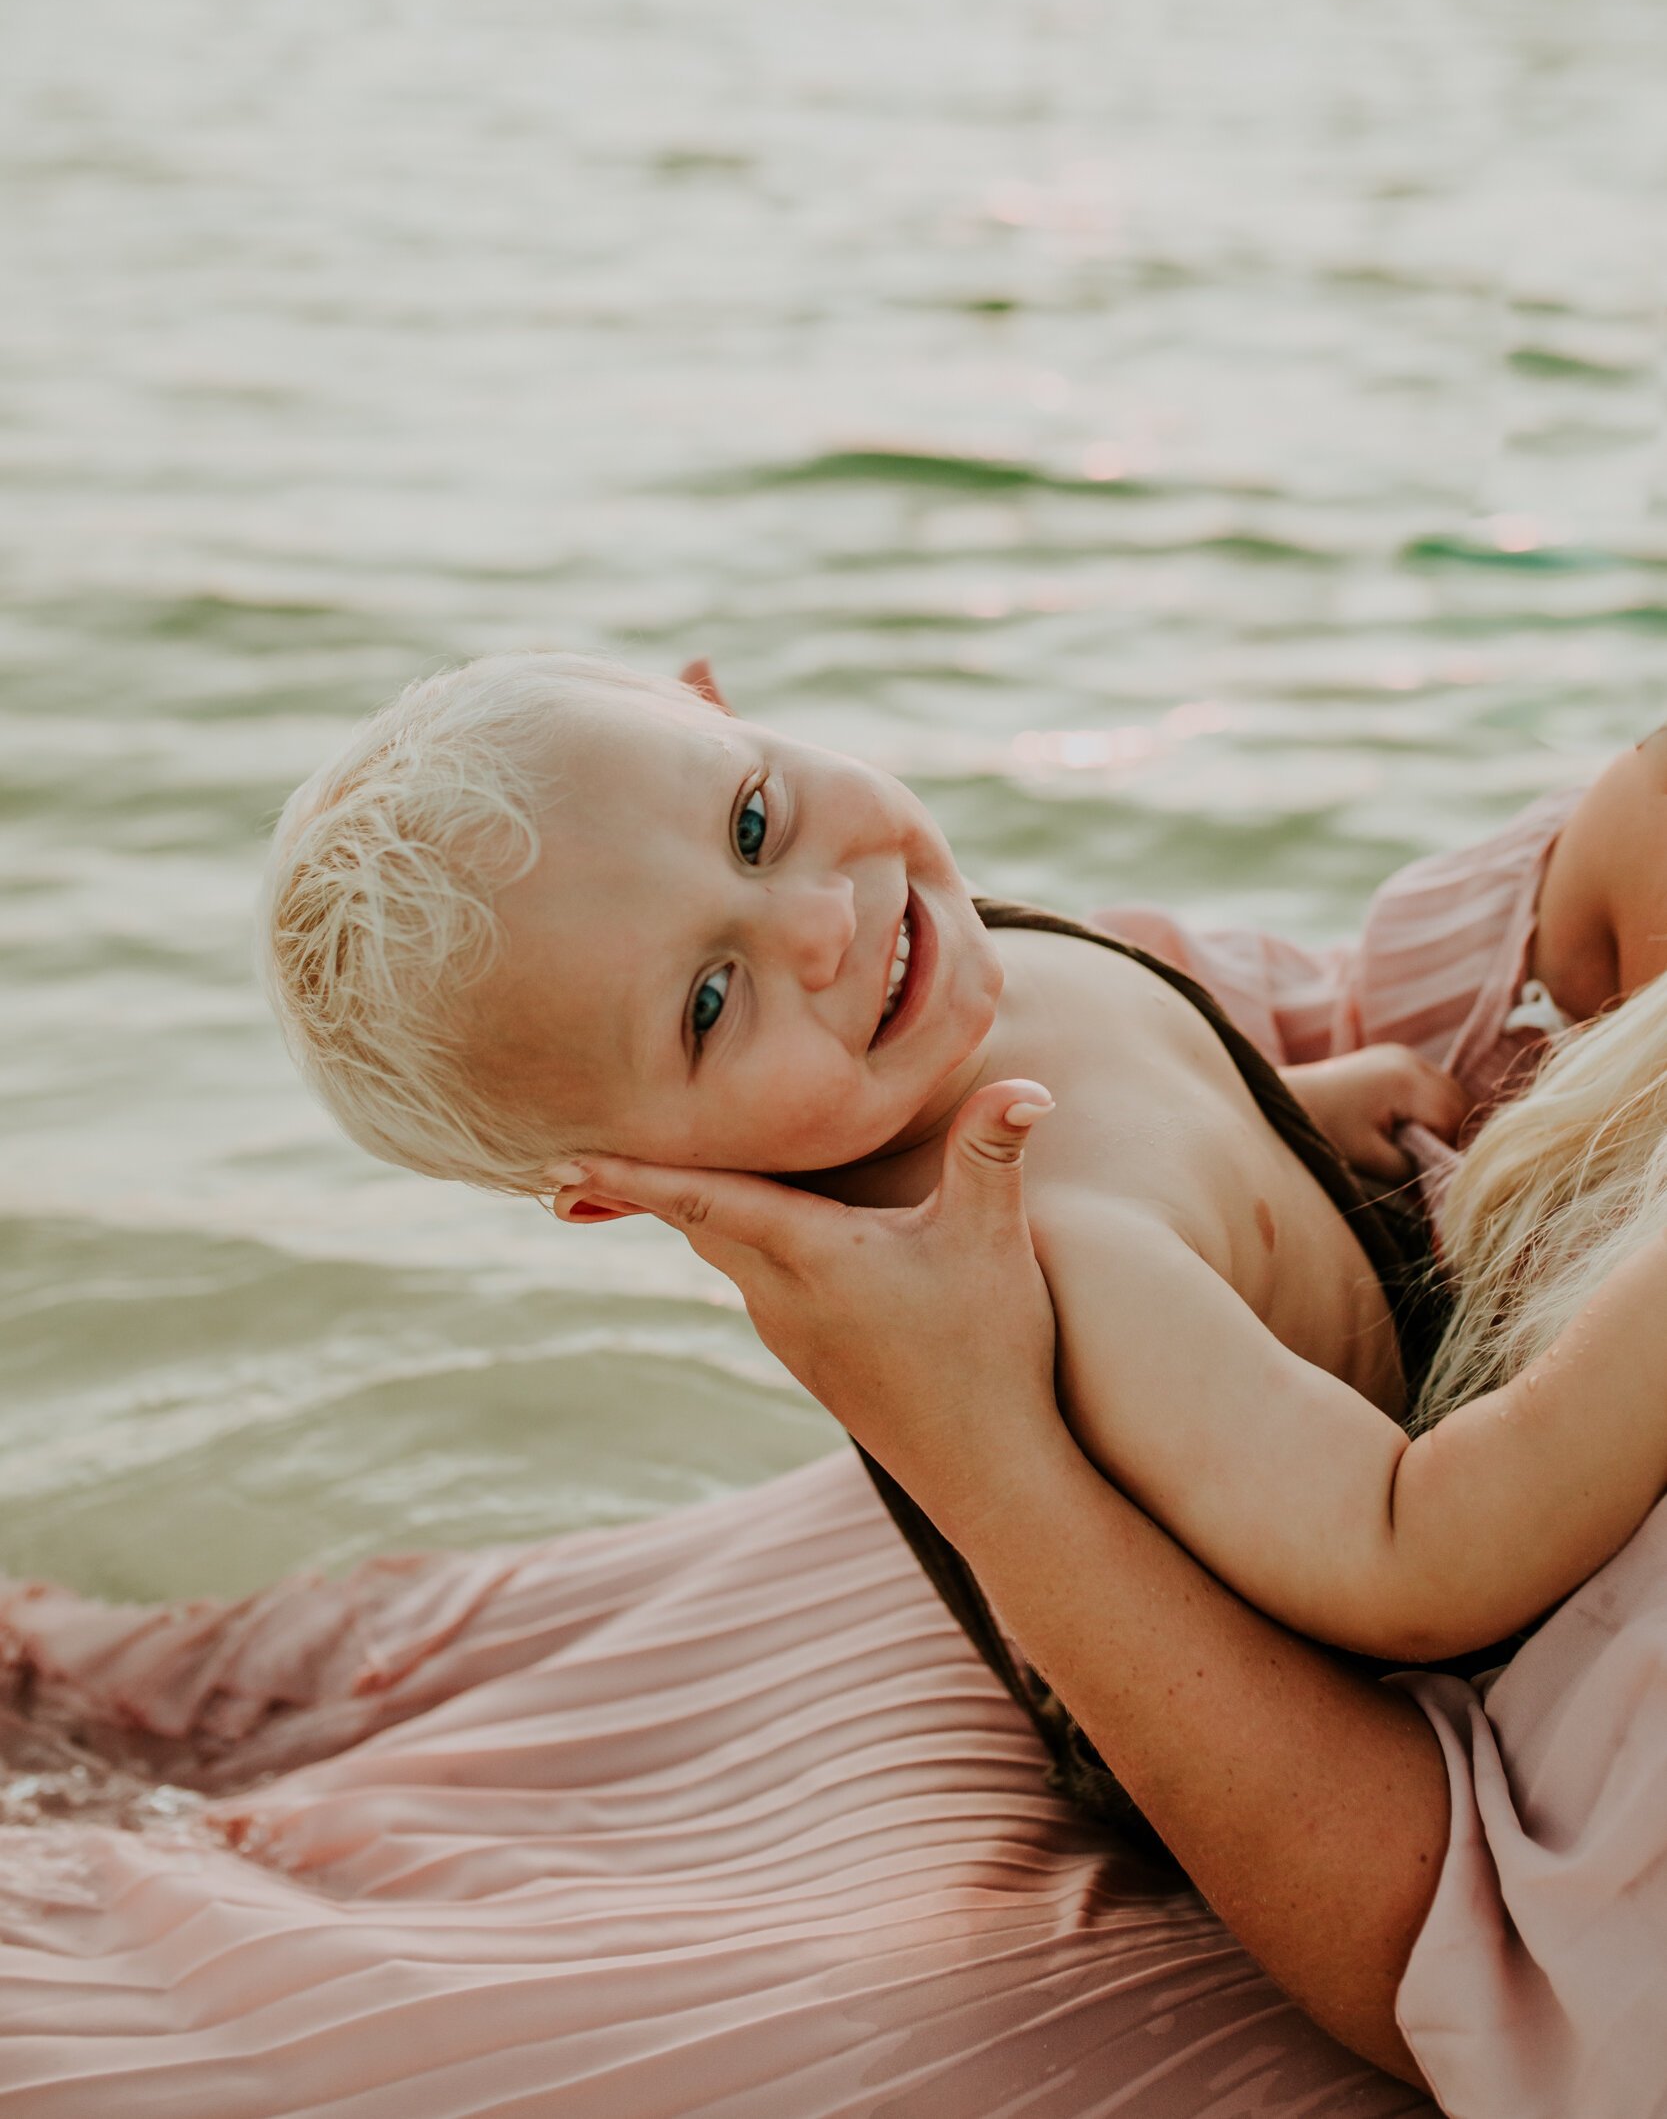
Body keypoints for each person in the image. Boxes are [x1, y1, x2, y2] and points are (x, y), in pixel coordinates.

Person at [0, 663, 1660, 2114]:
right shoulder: (1064, 1253)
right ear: (622, 1184)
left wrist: (1299, 1114)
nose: (817, 922)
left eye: (749, 821)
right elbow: (1415, 1560)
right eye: (711, 1004)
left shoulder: (941, 988)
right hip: (1325, 1627)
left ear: (719, 703)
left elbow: (1152, 1106)